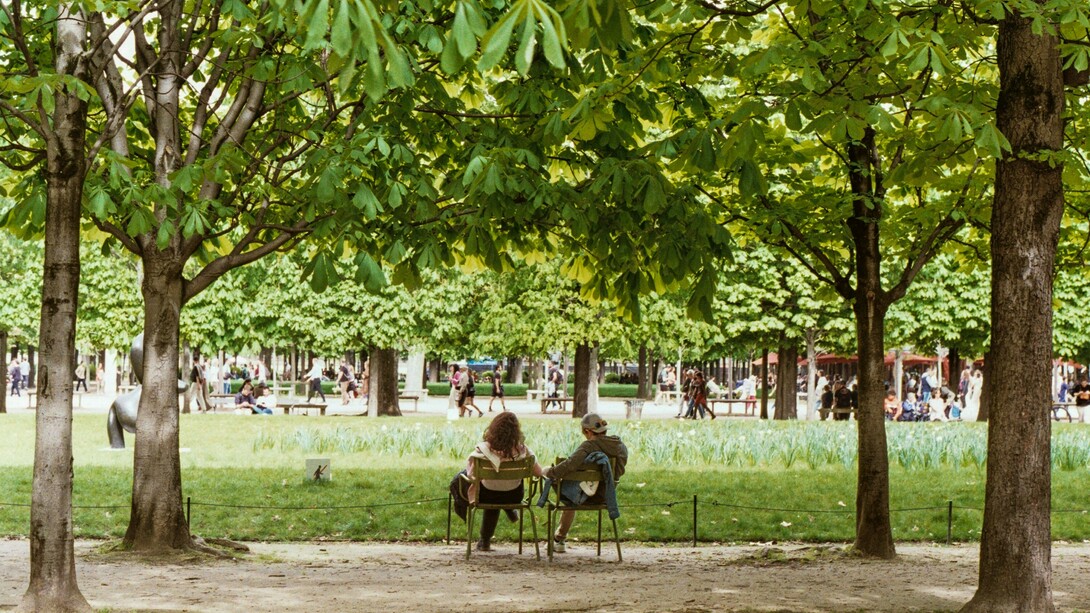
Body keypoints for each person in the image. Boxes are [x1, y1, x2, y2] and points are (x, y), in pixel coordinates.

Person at [449, 412, 544, 551]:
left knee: (468, 481)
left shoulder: (483, 450)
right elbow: (539, 473)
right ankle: (509, 509)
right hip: (514, 496)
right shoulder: (523, 451)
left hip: (486, 495)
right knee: (500, 492)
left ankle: (484, 541)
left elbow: (471, 474)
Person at [544, 413, 628, 554]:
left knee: (565, 490)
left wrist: (549, 472)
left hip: (583, 496)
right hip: (605, 496)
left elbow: (569, 465)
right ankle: (559, 538)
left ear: (587, 431)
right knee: (575, 489)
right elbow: (620, 472)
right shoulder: (620, 446)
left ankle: (559, 539)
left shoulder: (588, 446)